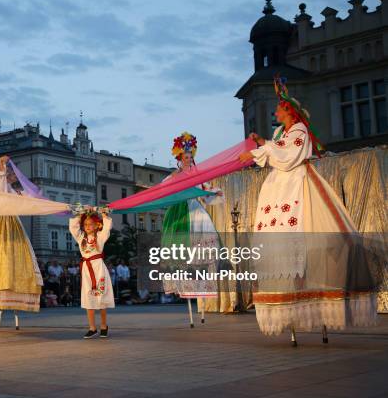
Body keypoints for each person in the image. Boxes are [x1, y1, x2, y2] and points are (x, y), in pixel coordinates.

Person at [238, 76, 378, 345]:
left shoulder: (299, 132)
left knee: (308, 239)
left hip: (296, 186)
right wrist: (260, 144)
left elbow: (288, 155)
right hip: (279, 187)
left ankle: (316, 303)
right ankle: (289, 306)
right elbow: (275, 151)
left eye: (279, 108)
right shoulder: (281, 134)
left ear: (289, 111)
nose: (276, 112)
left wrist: (260, 149)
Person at [161, 132, 225, 324]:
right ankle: (187, 292)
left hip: (196, 212)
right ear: (179, 158)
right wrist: (175, 176)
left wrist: (215, 192)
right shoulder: (175, 175)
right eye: (185, 157)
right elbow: (163, 188)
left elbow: (206, 194)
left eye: (191, 157)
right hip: (179, 214)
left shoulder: (198, 175)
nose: (189, 159)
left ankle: (202, 297)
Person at [0, 155, 43, 317]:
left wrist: (32, 194)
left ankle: (16, 290)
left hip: (14, 222)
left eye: (14, 174)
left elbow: (29, 199)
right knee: (1, 256)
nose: (13, 176)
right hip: (5, 221)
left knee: (18, 257)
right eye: (11, 174)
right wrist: (2, 163)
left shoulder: (14, 191)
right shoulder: (1, 186)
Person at [69, 207, 114, 338]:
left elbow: (107, 228)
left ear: (96, 225)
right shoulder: (81, 238)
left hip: (98, 268)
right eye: (85, 224)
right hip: (87, 269)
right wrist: (80, 214)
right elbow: (73, 228)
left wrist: (104, 215)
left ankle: (104, 325)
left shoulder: (100, 237)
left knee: (101, 297)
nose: (87, 226)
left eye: (90, 224)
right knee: (88, 297)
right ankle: (92, 327)